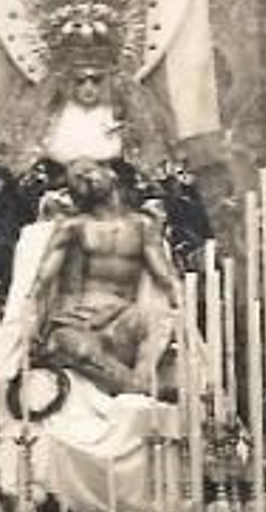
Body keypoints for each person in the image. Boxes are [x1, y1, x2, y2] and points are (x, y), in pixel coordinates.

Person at [29, 158, 181, 398]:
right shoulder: (73, 227)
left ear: (111, 173)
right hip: (78, 322)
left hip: (123, 321)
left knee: (159, 319)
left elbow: (166, 277)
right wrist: (29, 321)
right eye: (76, 178)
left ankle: (142, 381)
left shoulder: (142, 226)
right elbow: (42, 281)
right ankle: (139, 389)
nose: (84, 178)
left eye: (88, 170)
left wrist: (183, 306)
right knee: (72, 345)